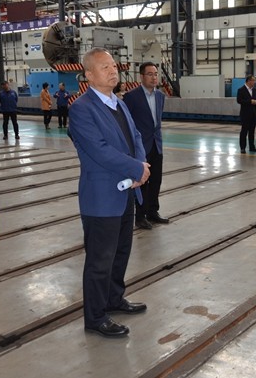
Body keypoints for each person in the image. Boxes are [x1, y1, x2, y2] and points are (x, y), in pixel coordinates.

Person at [68, 48, 150, 339]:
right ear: (89, 75)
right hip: (101, 198)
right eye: (105, 67)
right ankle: (95, 316)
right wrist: (136, 168)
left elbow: (136, 137)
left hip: (126, 193)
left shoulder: (119, 103)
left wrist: (140, 165)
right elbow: (99, 150)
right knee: (100, 261)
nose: (113, 71)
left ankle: (114, 299)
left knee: (120, 253)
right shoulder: (81, 109)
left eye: (114, 65)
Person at [123, 62, 169, 230]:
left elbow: (156, 123)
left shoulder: (160, 96)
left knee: (156, 180)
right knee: (142, 181)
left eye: (156, 74)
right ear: (141, 76)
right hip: (140, 147)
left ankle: (153, 212)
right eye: (150, 74)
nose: (154, 77)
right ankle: (140, 216)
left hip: (156, 145)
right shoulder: (131, 97)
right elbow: (127, 123)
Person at [236, 75, 256, 153]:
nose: (254, 82)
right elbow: (239, 100)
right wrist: (250, 101)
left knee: (252, 131)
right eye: (253, 80)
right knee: (244, 131)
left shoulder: (254, 90)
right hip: (245, 114)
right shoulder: (241, 90)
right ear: (248, 81)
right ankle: (242, 148)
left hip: (253, 114)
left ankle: (252, 147)